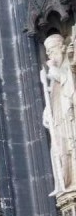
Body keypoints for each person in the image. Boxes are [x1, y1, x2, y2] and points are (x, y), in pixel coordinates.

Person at [41, 32, 76, 194]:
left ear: (62, 48)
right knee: (58, 149)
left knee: (69, 146)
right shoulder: (57, 71)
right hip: (59, 118)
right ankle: (63, 184)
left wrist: (53, 69)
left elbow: (69, 84)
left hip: (70, 117)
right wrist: (47, 112)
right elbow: (54, 96)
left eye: (52, 50)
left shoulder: (68, 66)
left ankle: (71, 182)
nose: (49, 55)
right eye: (47, 52)